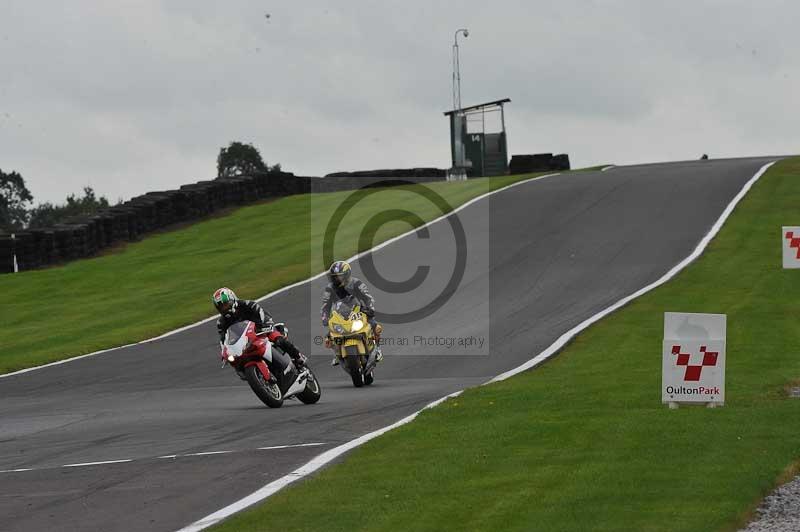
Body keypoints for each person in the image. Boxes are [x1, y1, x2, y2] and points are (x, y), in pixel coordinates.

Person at [212, 287, 306, 367]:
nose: (224, 308)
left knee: (277, 339)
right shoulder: (221, 322)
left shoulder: (247, 304)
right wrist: (224, 352)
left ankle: (298, 356)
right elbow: (223, 339)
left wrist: (264, 325)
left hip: (261, 327)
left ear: (232, 299)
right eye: (221, 307)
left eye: (226, 304)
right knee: (236, 361)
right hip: (244, 340)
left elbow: (260, 313)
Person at [320, 260, 383, 366]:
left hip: (359, 310)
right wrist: (325, 318)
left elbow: (368, 298)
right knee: (329, 336)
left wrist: (370, 309)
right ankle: (337, 354)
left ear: (347, 275)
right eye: (334, 277)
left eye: (339, 276)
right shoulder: (330, 288)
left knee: (375, 326)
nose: (336, 279)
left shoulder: (357, 283)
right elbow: (325, 305)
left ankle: (378, 349)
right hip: (339, 313)